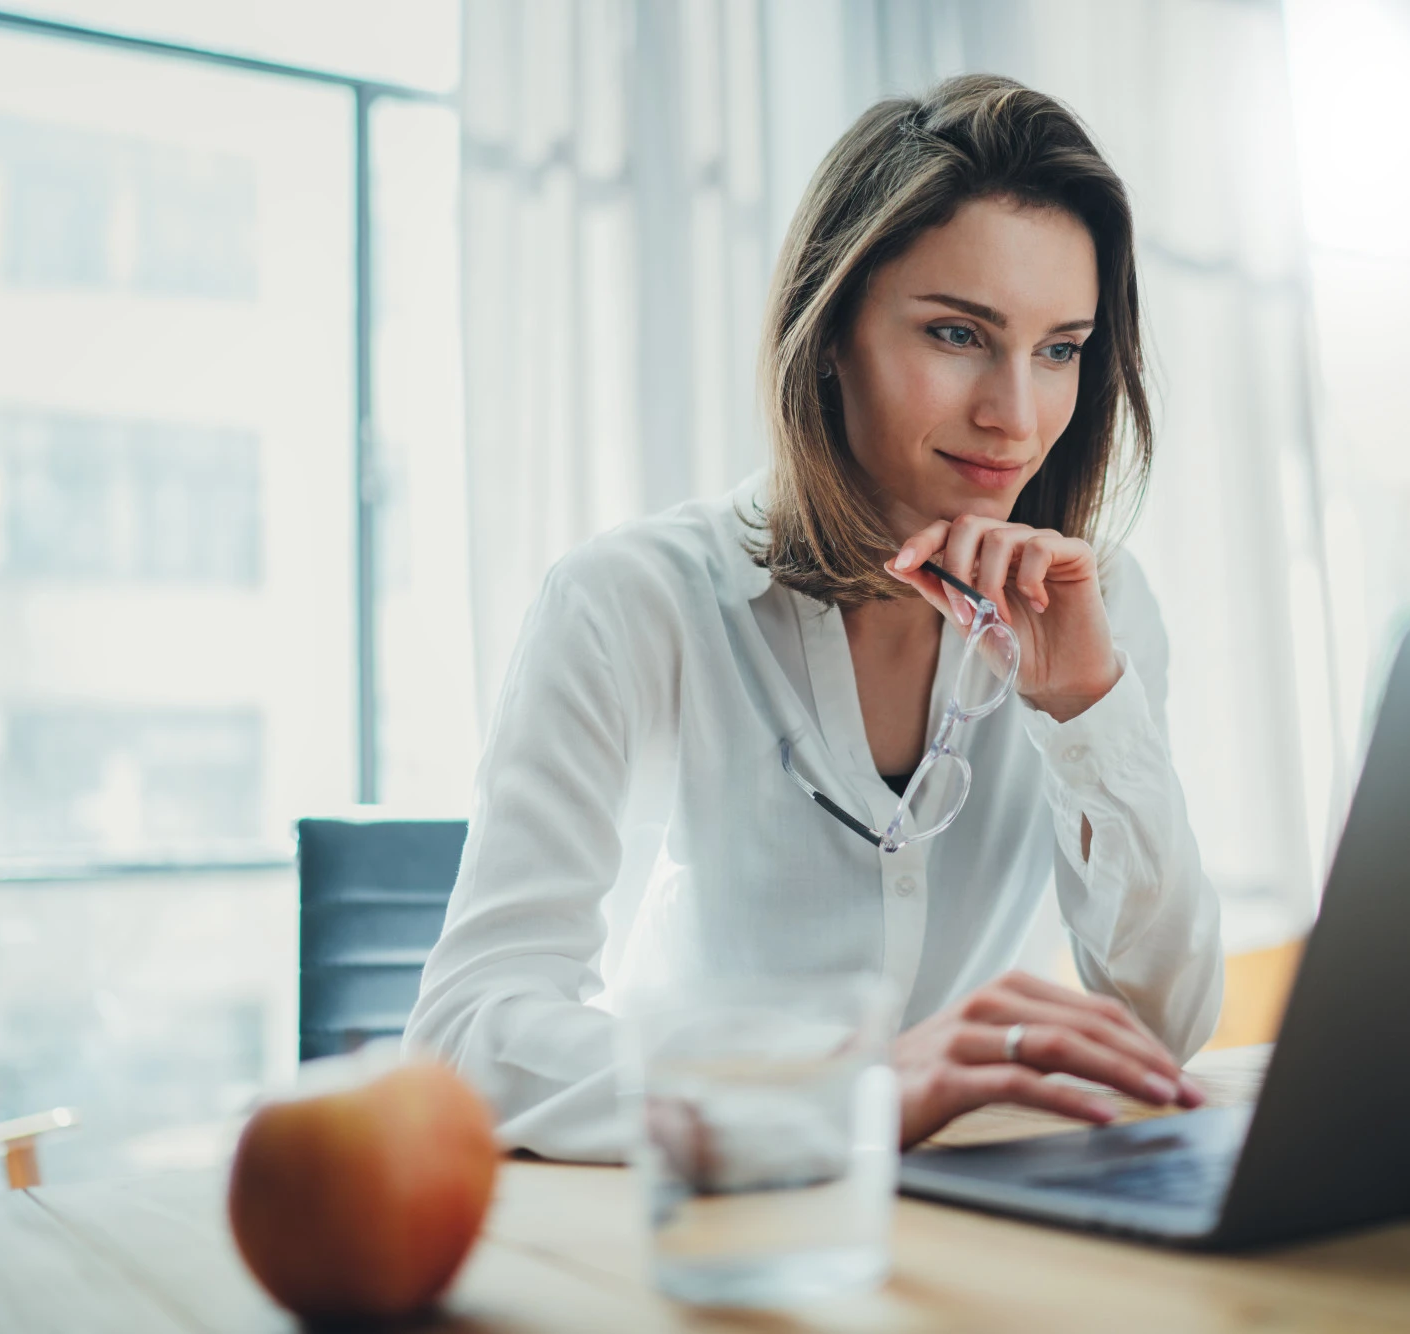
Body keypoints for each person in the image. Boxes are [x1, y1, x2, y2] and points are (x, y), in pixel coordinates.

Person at [405, 73, 1249, 1158]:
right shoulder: (631, 600)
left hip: (972, 1217)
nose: (1015, 413)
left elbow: (1159, 1028)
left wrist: (1085, 708)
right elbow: (467, 1033)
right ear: (832, 326)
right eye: (956, 333)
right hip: (708, 1216)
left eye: (1059, 349)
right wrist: (832, 1089)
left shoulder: (1094, 606)